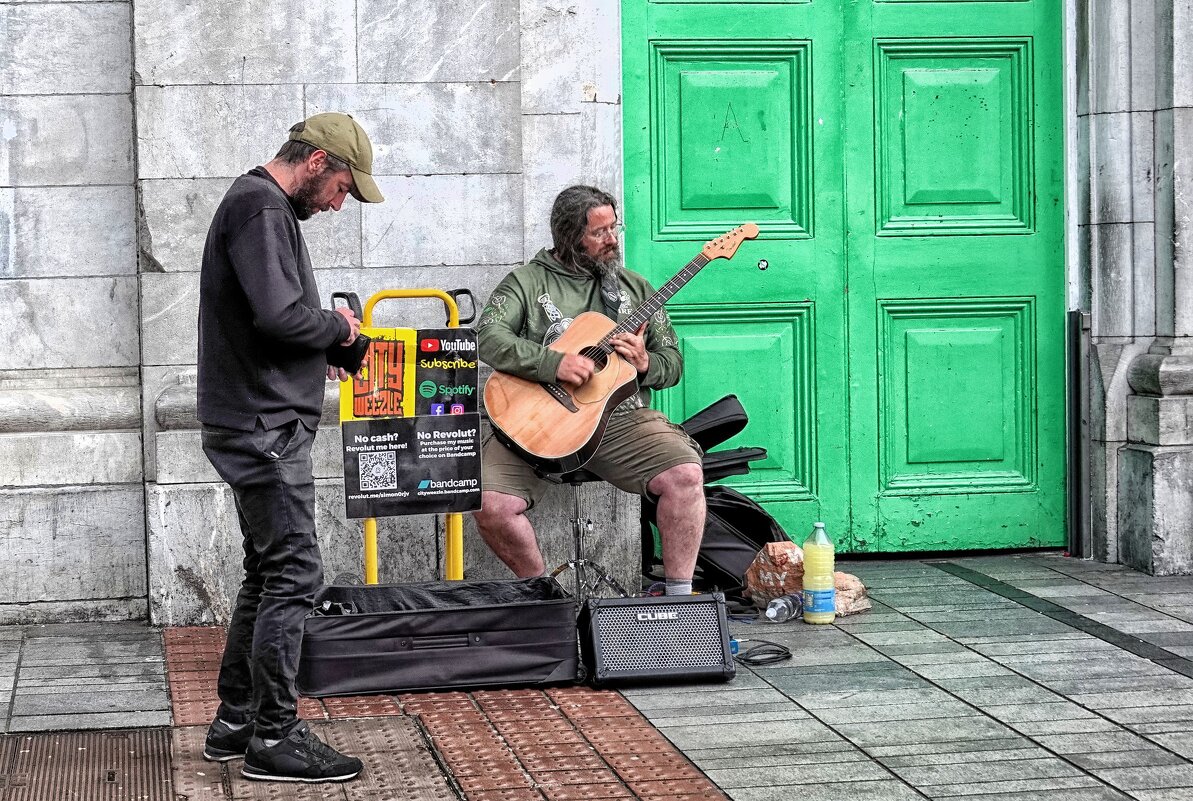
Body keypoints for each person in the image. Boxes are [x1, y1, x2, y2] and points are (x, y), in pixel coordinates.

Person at [196, 112, 384, 783]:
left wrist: (323, 345)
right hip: (263, 427)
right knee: (296, 573)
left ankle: (236, 721)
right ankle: (273, 735)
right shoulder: (260, 208)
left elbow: (271, 320)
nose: (339, 202)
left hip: (254, 419)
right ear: (314, 162)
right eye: (340, 187)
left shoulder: (259, 206)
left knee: (268, 569)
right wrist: (338, 327)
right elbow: (279, 314)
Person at [474, 185, 705, 596]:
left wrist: (645, 362)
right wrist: (553, 363)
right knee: (491, 506)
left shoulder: (635, 290)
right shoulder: (526, 283)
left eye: (614, 228)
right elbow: (487, 337)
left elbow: (673, 364)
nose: (612, 240)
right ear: (569, 236)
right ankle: (547, 600)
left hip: (619, 421)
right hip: (534, 418)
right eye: (599, 232)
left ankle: (680, 604)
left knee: (685, 475)